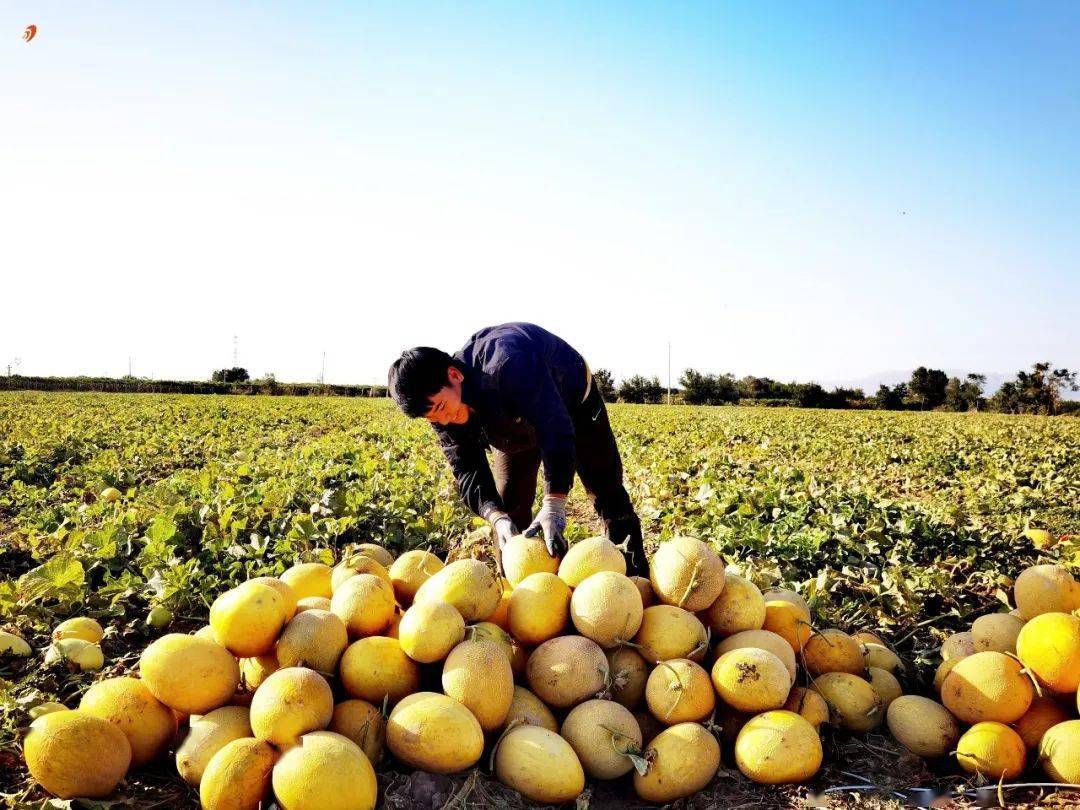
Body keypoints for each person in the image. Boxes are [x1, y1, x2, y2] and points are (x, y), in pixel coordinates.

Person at [388, 322, 647, 575]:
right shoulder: (440, 410)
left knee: (605, 488)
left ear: (454, 375)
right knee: (508, 501)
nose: (442, 421)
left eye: (441, 408)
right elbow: (466, 469)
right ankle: (518, 588)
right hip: (509, 422)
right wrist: (495, 516)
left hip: (572, 402)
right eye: (432, 418)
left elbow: (554, 426)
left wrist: (554, 503)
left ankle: (633, 577)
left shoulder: (508, 364)